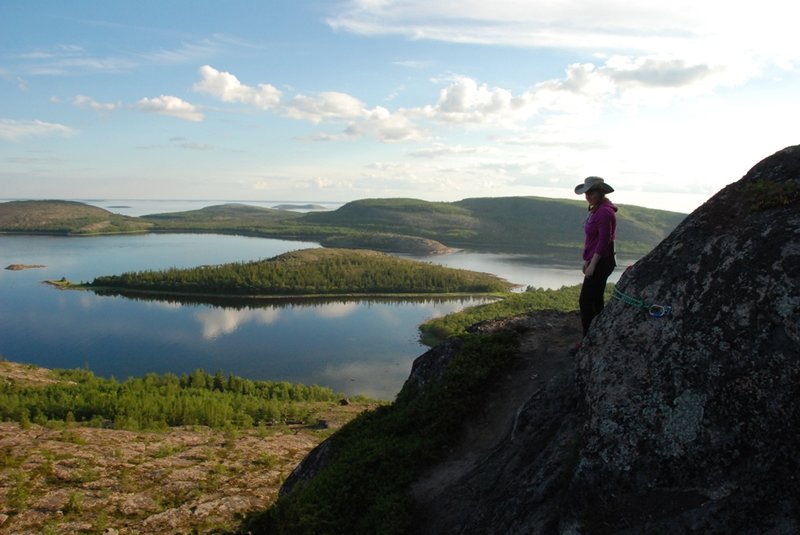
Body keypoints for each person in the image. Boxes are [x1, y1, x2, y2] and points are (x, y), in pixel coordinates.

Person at [575, 176, 617, 336]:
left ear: (601, 192)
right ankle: (600, 334)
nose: (588, 196)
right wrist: (587, 260)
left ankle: (588, 338)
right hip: (598, 260)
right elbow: (593, 240)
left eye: (591, 192)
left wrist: (592, 264)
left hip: (601, 262)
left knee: (586, 301)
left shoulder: (604, 212)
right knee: (596, 299)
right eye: (586, 193)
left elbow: (604, 241)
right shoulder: (597, 210)